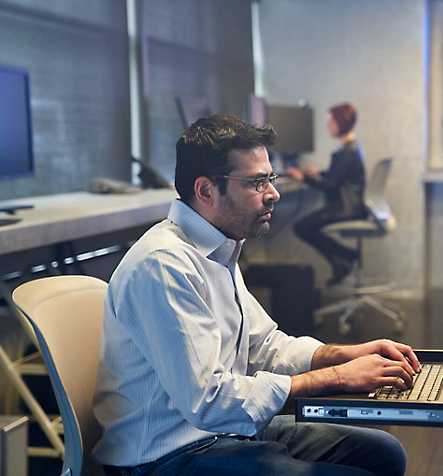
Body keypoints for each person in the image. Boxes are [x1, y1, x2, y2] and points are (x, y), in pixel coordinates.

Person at [92, 114, 421, 476]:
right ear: (206, 191)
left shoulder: (219, 246)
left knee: (385, 453)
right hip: (167, 455)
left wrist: (339, 354)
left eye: (270, 178)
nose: (273, 193)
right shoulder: (164, 264)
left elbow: (262, 346)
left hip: (222, 431)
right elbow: (210, 400)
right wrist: (337, 377)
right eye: (257, 182)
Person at [286, 103, 367, 286]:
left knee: (302, 228)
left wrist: (302, 178)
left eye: (331, 121)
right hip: (348, 206)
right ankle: (344, 259)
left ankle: (345, 257)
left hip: (344, 209)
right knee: (305, 227)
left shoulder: (348, 151)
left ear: (341, 123)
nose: (328, 126)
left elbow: (331, 185)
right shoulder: (349, 148)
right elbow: (337, 176)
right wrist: (318, 172)